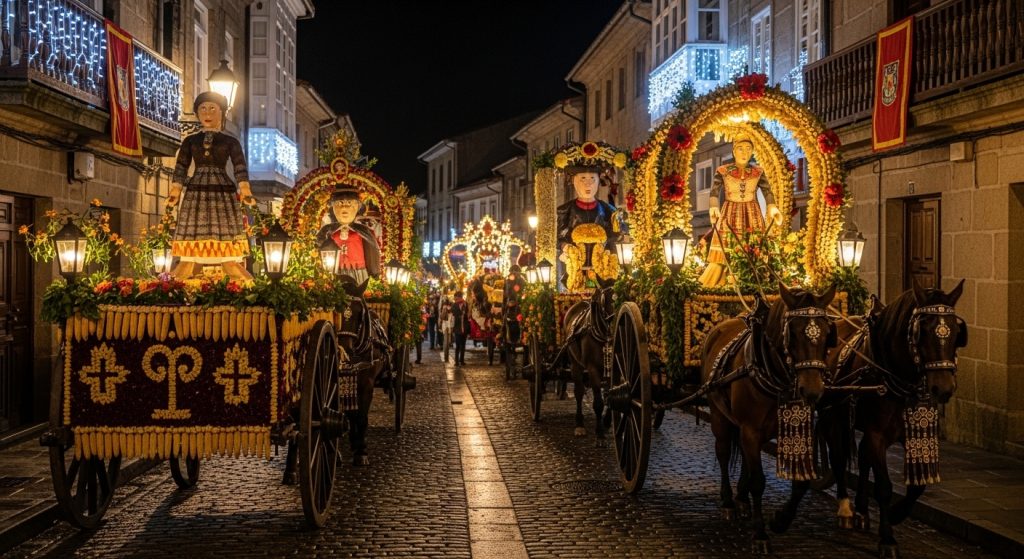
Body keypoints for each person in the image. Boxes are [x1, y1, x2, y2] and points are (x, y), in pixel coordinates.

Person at [166, 91, 254, 280]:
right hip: (196, 190)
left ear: (221, 113)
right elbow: (181, 166)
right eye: (203, 109)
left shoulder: (230, 141)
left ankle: (232, 267)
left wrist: (244, 188)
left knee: (226, 251)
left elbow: (239, 165)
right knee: (190, 252)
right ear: (197, 113)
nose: (207, 113)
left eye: (212, 109)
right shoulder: (190, 141)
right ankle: (183, 269)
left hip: (222, 190)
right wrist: (175, 190)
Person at [699, 135, 784, 287]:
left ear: (752, 151)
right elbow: (714, 192)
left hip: (753, 213)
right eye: (740, 148)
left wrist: (772, 207)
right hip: (730, 212)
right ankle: (724, 280)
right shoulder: (723, 170)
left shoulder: (758, 171)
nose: (744, 153)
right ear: (733, 151)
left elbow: (767, 191)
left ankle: (754, 280)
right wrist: (713, 206)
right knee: (727, 246)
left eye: (748, 149)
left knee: (754, 245)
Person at [555, 161, 621, 291]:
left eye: (592, 179)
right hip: (576, 264)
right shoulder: (565, 210)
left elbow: (616, 234)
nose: (588, 183)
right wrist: (566, 247)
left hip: (602, 265)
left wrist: (605, 244)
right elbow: (559, 237)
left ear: (598, 182)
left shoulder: (609, 210)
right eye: (583, 178)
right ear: (574, 181)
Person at [316, 184, 381, 284]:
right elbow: (317, 248)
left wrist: (374, 273)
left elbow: (372, 250)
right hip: (333, 272)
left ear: (357, 207)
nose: (344, 208)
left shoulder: (364, 231)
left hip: (358, 273)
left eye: (350, 203)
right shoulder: (326, 230)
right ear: (333, 208)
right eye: (340, 203)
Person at [451, 290, 471, 366]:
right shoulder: (454, 305)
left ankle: (461, 360)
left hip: (464, 327)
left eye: (456, 298)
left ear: (459, 297)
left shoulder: (466, 304)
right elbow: (452, 314)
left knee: (463, 344)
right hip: (457, 327)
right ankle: (456, 361)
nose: (455, 299)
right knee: (458, 345)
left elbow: (468, 315)